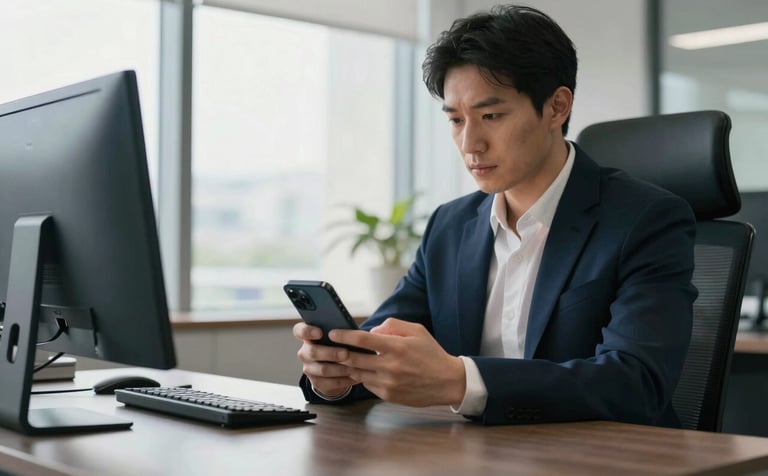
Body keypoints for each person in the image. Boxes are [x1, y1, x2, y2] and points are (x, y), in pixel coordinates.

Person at [293, 4, 696, 426]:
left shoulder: (646, 219)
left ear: (557, 107)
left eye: (491, 116)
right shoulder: (450, 226)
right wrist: (338, 374)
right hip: (475, 456)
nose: (470, 144)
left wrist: (461, 381)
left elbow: (637, 383)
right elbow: (381, 344)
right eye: (455, 120)